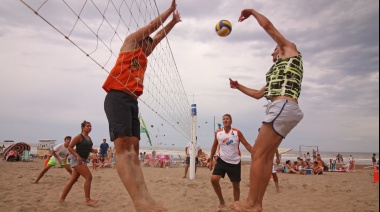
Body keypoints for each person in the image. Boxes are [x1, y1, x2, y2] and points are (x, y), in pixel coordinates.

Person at [102, 1, 181, 211]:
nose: (151, 47)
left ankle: (146, 199)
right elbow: (153, 27)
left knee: (134, 150)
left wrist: (173, 23)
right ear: (143, 42)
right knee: (122, 149)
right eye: (149, 44)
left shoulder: (143, 55)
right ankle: (138, 201)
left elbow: (160, 36)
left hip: (132, 101)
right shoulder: (130, 44)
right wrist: (169, 12)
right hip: (117, 96)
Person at [229, 8, 304, 212]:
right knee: (266, 157)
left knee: (257, 154)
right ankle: (258, 203)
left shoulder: (289, 50)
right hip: (285, 108)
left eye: (273, 49)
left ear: (280, 50)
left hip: (283, 106)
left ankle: (251, 202)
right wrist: (238, 86)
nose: (271, 52)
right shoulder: (276, 75)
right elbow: (257, 94)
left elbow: (268, 27)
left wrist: (252, 12)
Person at [208, 114, 252, 211]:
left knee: (236, 185)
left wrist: (255, 154)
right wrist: (211, 160)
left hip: (234, 162)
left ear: (231, 121)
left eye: (227, 119)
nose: (225, 120)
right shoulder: (218, 133)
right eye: (224, 119)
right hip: (222, 160)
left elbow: (246, 144)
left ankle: (236, 204)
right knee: (214, 180)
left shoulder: (237, 133)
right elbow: (214, 146)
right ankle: (222, 202)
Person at [59, 121, 98, 206]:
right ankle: (87, 200)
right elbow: (70, 147)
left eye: (90, 126)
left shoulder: (89, 138)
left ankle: (62, 199)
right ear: (83, 128)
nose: (90, 127)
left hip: (83, 159)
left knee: (72, 180)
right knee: (89, 177)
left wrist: (93, 150)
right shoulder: (79, 137)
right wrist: (77, 156)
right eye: (88, 126)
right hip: (77, 160)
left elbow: (88, 148)